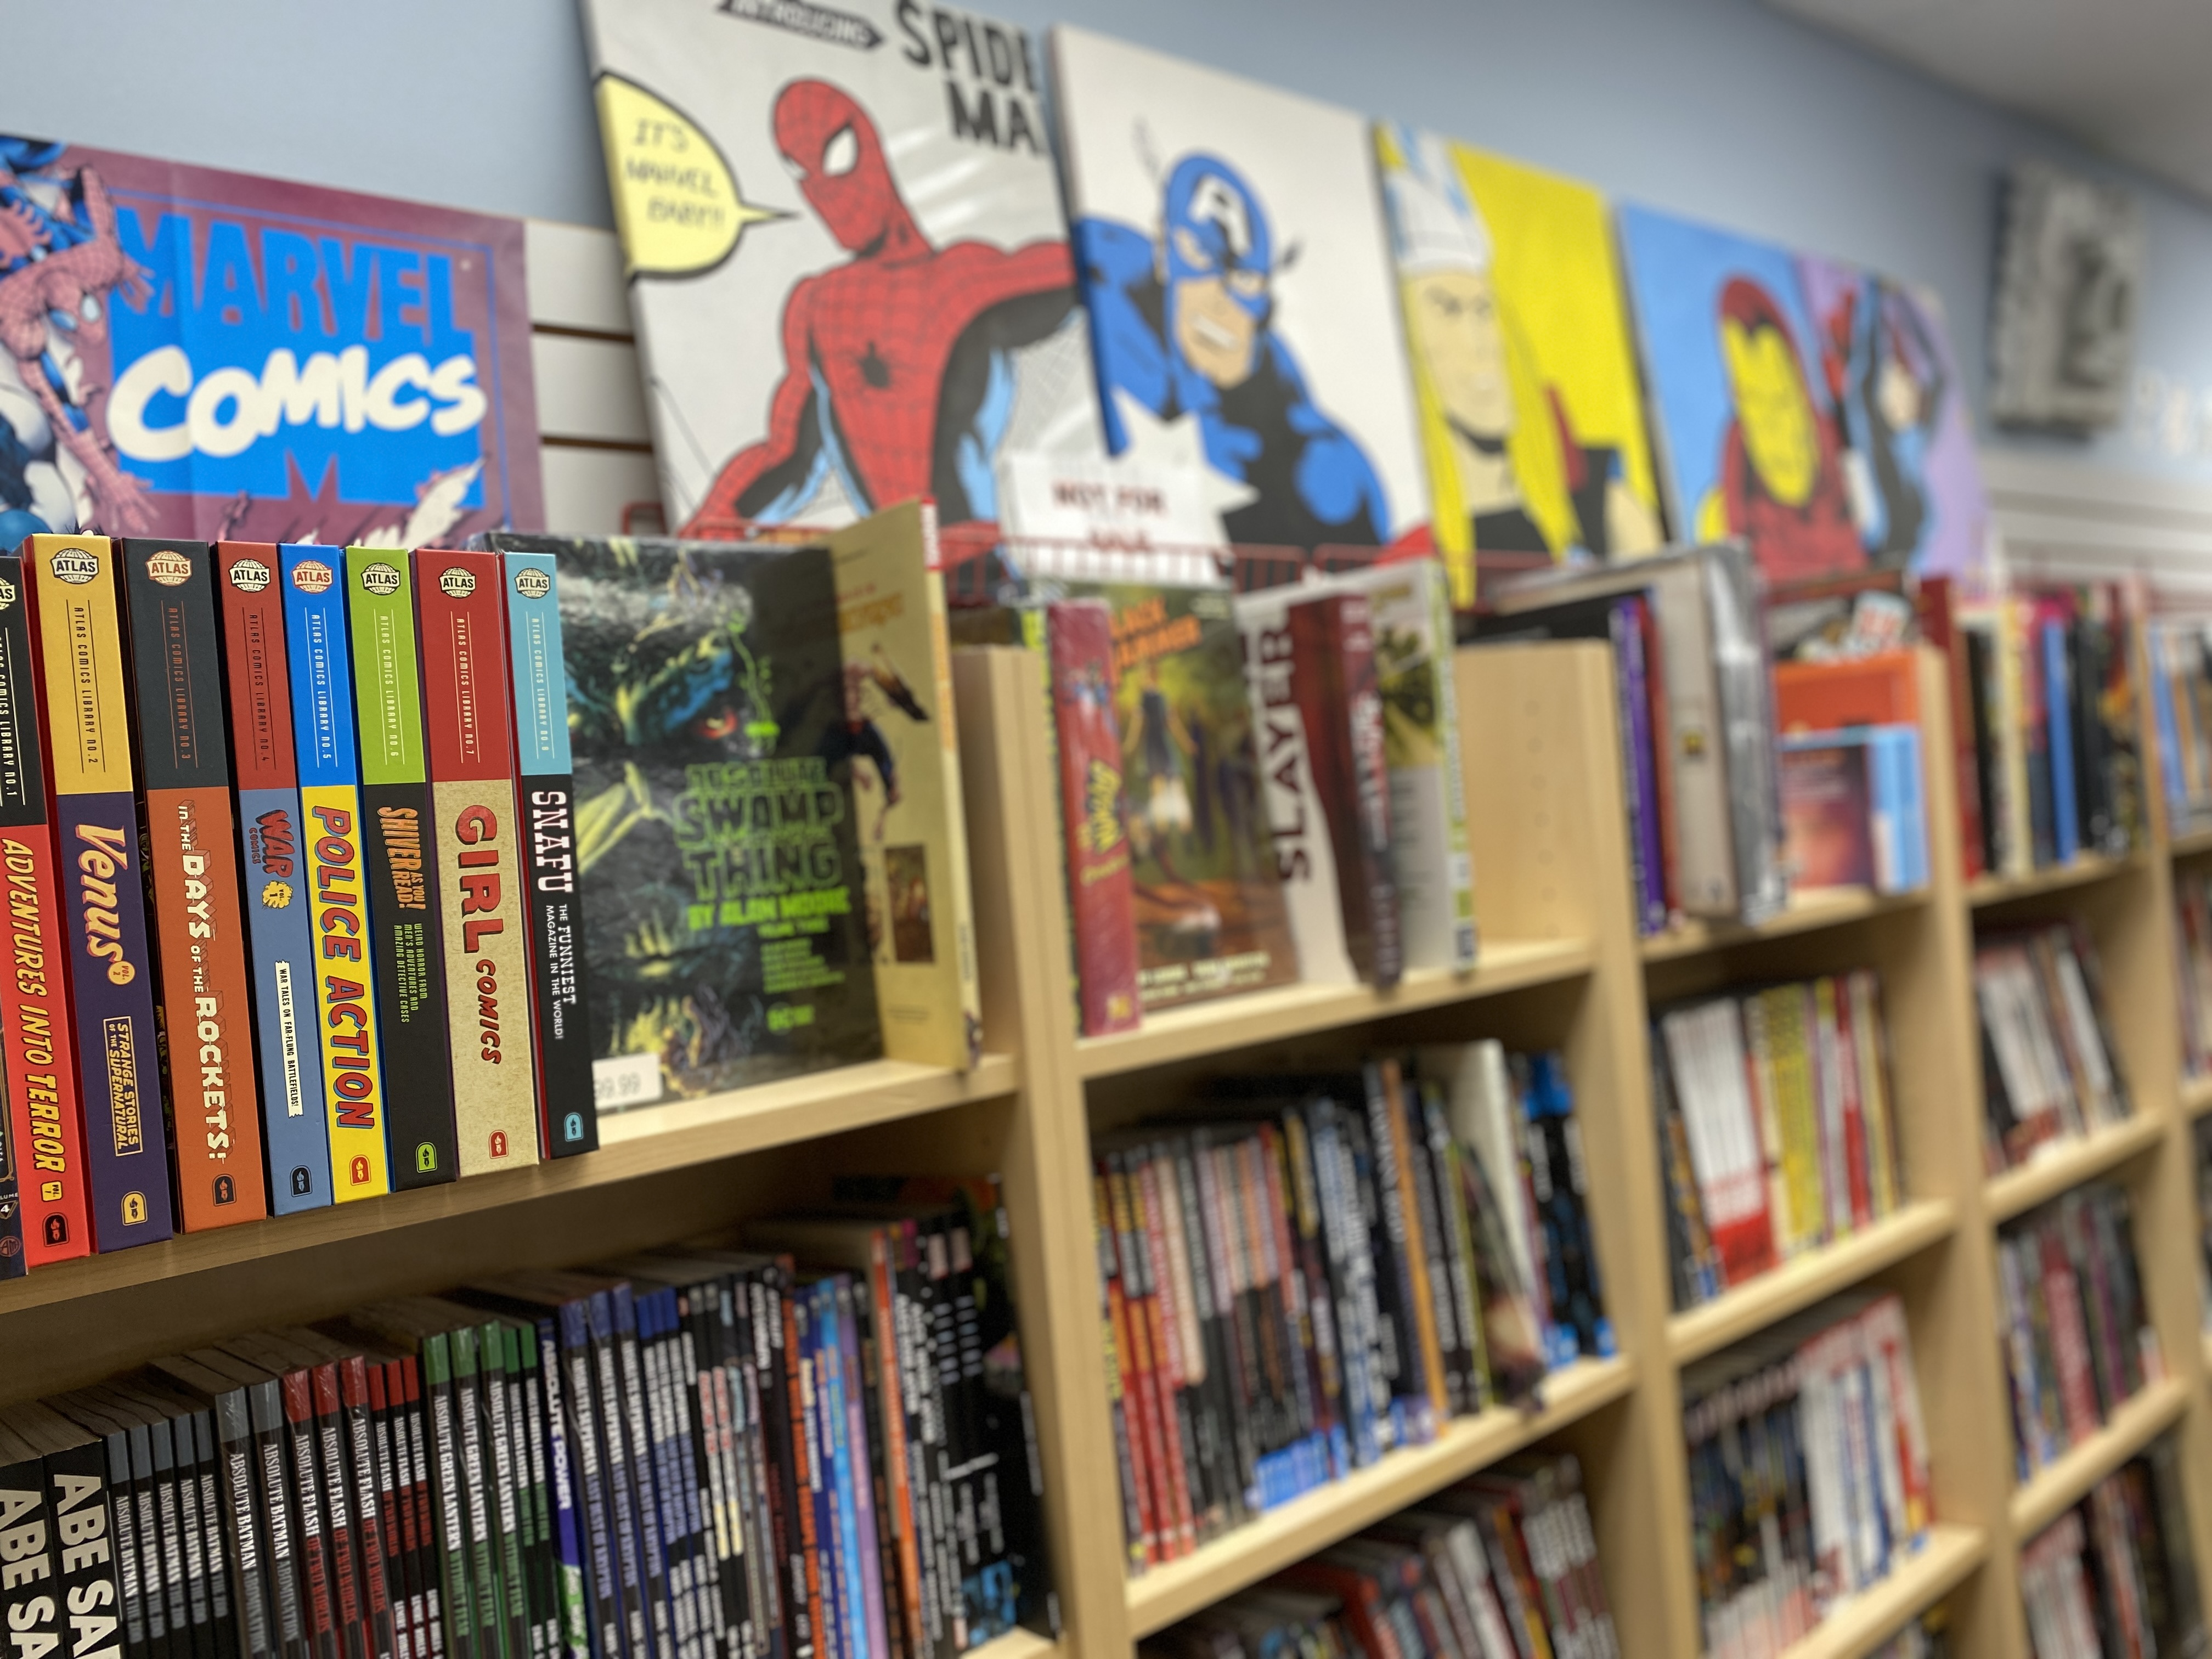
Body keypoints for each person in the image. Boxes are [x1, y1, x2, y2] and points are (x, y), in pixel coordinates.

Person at [682, 80, 1079, 535]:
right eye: (800, 171)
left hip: (976, 557)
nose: (824, 191)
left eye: (836, 157)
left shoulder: (966, 280)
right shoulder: (820, 306)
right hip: (892, 566)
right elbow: (787, 456)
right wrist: (703, 534)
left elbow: (1091, 274)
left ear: (868, 146)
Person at [1075, 153, 1388, 549]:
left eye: (1244, 280)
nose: (1219, 299)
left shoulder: (1282, 392)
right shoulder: (1108, 279)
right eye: (1199, 255)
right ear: (1164, 248)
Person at [1381, 128, 1658, 574]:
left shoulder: (1603, 503)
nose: (1480, 343)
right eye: (1447, 311)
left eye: (1484, 311)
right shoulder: (1416, 553)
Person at [1696, 278, 1863, 583]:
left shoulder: (1844, 478)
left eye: (1782, 400)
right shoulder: (1722, 516)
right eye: (1750, 399)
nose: (1773, 430)